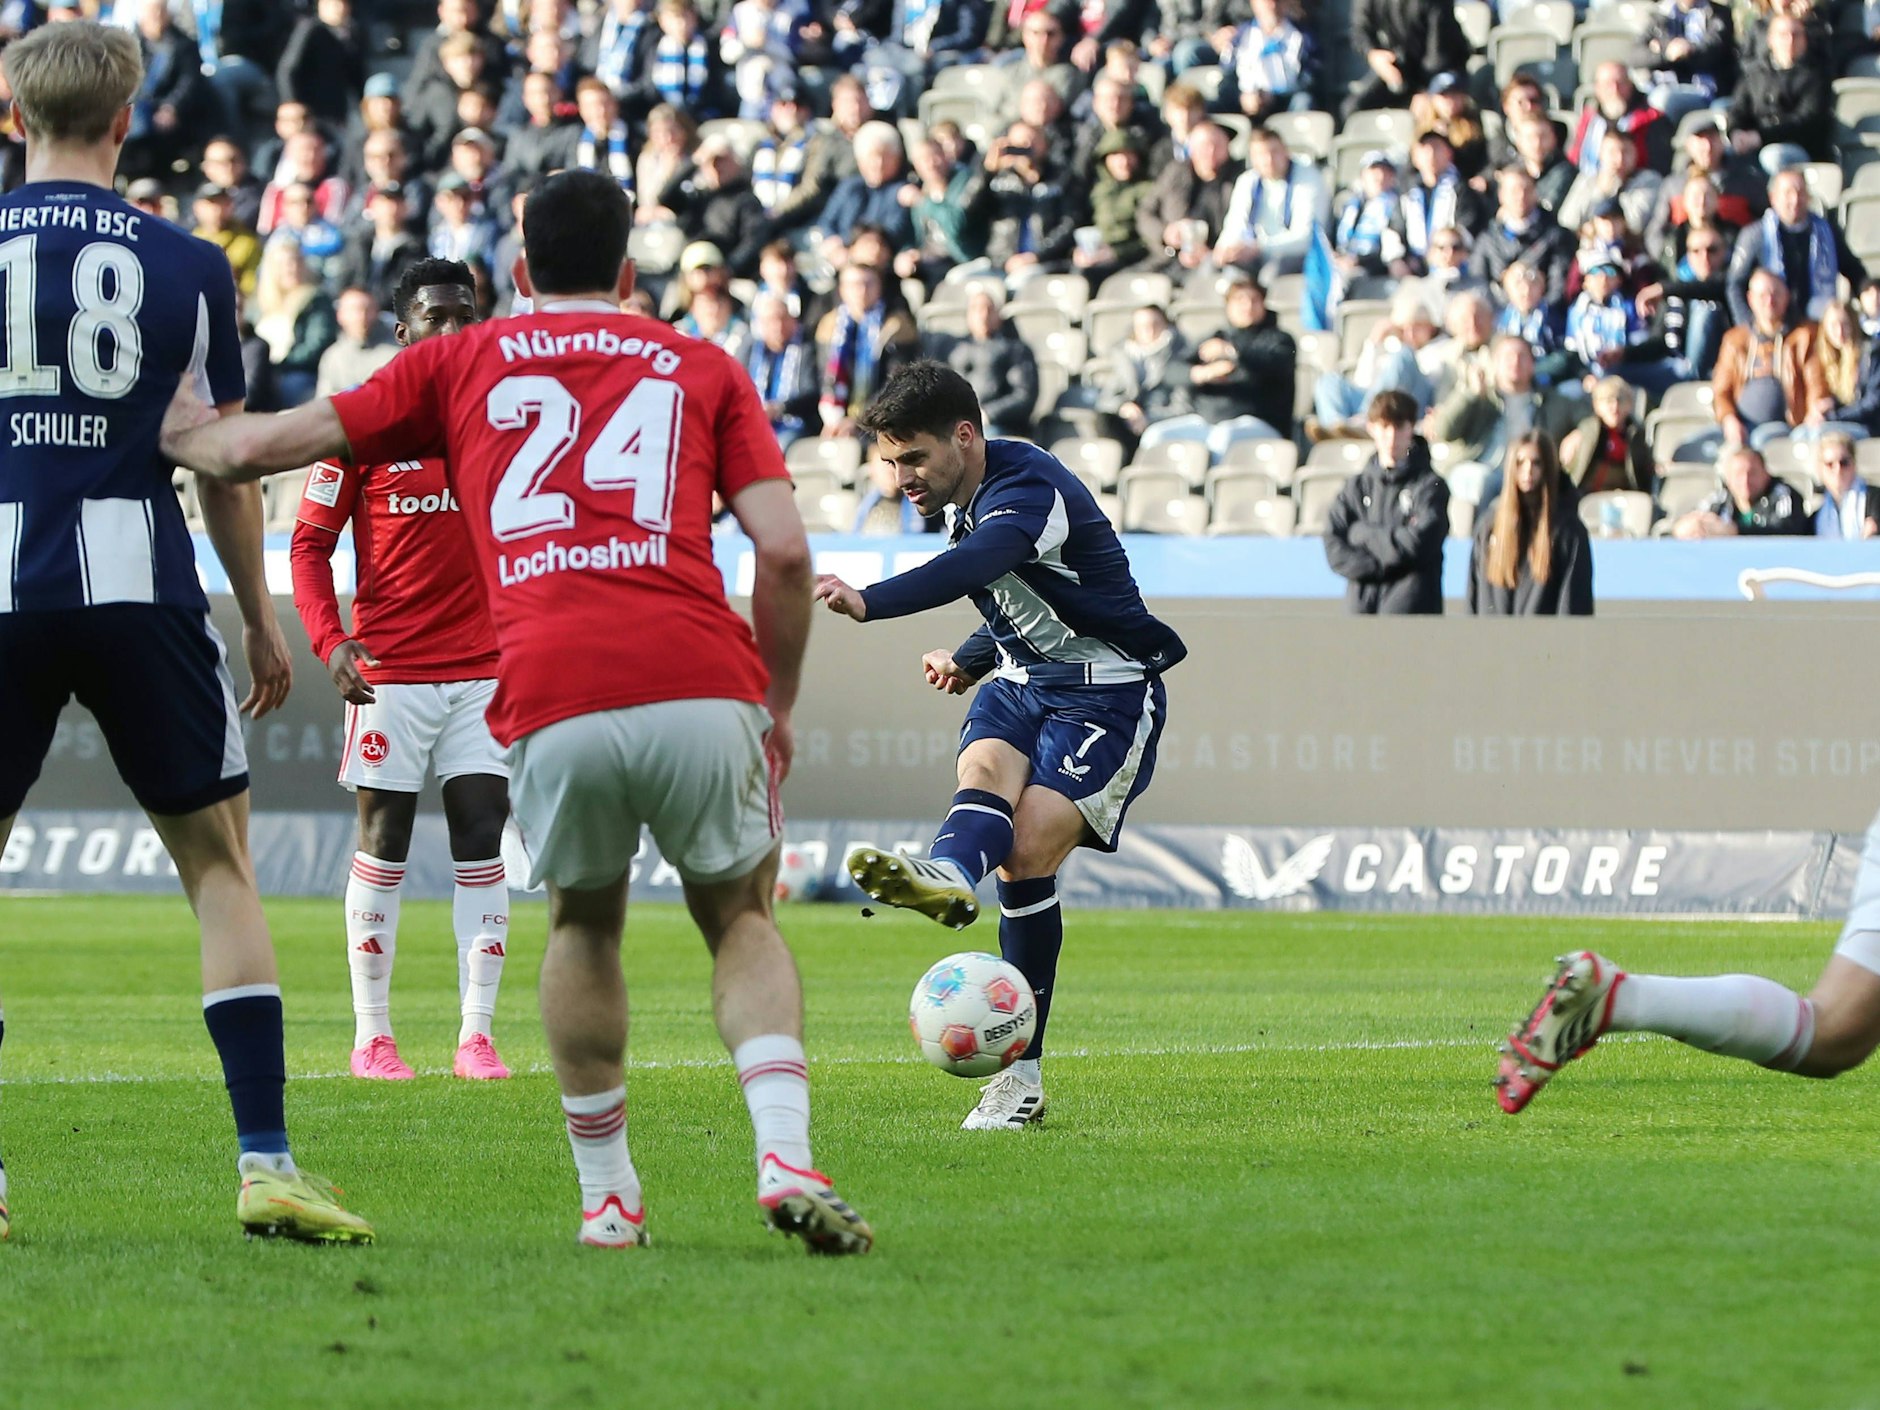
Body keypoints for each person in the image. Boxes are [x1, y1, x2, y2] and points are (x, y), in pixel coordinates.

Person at [162, 169, 871, 1255]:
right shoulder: (702, 363)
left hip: (548, 685)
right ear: (630, 272)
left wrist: (155, 425)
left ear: (522, 273)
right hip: (695, 675)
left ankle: (609, 1198)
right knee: (740, 918)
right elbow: (782, 551)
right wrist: (772, 704)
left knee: (584, 923)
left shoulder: (460, 360)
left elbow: (258, 450)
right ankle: (780, 1149)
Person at [0, 19, 370, 1244]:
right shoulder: (190, 261)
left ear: (13, 119)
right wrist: (259, 622)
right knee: (219, 867)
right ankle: (264, 1159)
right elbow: (220, 458)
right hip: (138, 585)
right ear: (125, 120)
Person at [812, 361, 1186, 1130]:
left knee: (1027, 848)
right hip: (1022, 679)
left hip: (1106, 691)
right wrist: (972, 657)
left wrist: (871, 599)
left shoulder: (1027, 491)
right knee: (981, 773)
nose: (900, 476)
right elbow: (1022, 594)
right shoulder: (965, 496)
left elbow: (978, 567)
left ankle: (1022, 1077)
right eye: (889, 461)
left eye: (913, 457)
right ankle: (948, 874)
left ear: (965, 436)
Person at [288, 258, 513, 1084]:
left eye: (466, 314)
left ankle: (476, 1035)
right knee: (382, 843)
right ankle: (372, 1037)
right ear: (403, 329)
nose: (453, 329)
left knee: (481, 836)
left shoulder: (507, 417)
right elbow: (308, 544)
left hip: (485, 672)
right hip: (391, 671)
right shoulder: (364, 421)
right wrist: (329, 640)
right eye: (435, 315)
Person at [1322, 390, 1450, 615]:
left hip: (1412, 610)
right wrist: (1378, 565)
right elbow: (1334, 546)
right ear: (1371, 428)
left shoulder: (1430, 486)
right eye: (1384, 426)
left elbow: (1419, 544)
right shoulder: (1355, 488)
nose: (1391, 437)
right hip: (1361, 606)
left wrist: (1361, 534)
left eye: (1399, 427)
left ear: (1411, 428)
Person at [1467, 432, 1594, 617]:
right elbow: (1473, 598)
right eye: (1520, 463)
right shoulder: (1488, 526)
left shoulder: (1569, 532)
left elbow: (1574, 606)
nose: (1528, 471)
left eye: (1536, 463)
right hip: (1493, 642)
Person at [1727, 169, 1865, 329]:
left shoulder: (1827, 232)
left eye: (1800, 192)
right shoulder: (1754, 236)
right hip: (1772, 330)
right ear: (1773, 198)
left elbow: (1854, 270)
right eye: (1787, 193)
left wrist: (1867, 292)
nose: (1795, 199)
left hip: (1818, 327)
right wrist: (1748, 326)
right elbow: (1735, 285)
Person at [946, 290, 1040, 439]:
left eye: (989, 310)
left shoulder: (1016, 349)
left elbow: (1024, 395)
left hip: (997, 426)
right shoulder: (955, 349)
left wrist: (988, 414)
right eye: (976, 309)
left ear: (998, 315)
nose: (983, 315)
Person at [1671, 444, 1812, 536]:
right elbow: (1692, 519)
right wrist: (1690, 526)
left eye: (1752, 473)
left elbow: (1789, 532)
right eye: (1738, 474)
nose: (1745, 480)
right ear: (1728, 478)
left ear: (1766, 473)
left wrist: (1734, 532)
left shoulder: (1783, 495)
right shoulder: (1721, 499)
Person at [743, 291, 820, 449]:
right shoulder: (750, 350)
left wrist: (780, 408)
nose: (778, 326)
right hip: (755, 422)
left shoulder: (805, 348)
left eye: (783, 318)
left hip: (795, 423)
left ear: (793, 320)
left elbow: (811, 391)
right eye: (771, 320)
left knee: (778, 446)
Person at [1559, 377, 1653, 496]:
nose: (1614, 407)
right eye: (1608, 401)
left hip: (1625, 496)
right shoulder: (1586, 430)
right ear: (1596, 405)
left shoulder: (1636, 434)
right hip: (1586, 496)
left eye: (1620, 399)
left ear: (1630, 404)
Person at [315, 286, 397, 397]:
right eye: (355, 310)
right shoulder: (333, 357)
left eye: (368, 309)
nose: (361, 317)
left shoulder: (397, 351)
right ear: (340, 315)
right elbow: (324, 402)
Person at [1812, 432, 1880, 537]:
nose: (1838, 470)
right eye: (1830, 464)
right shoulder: (1815, 517)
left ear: (1854, 464)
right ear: (1820, 469)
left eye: (1844, 463)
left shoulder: (1876, 500)